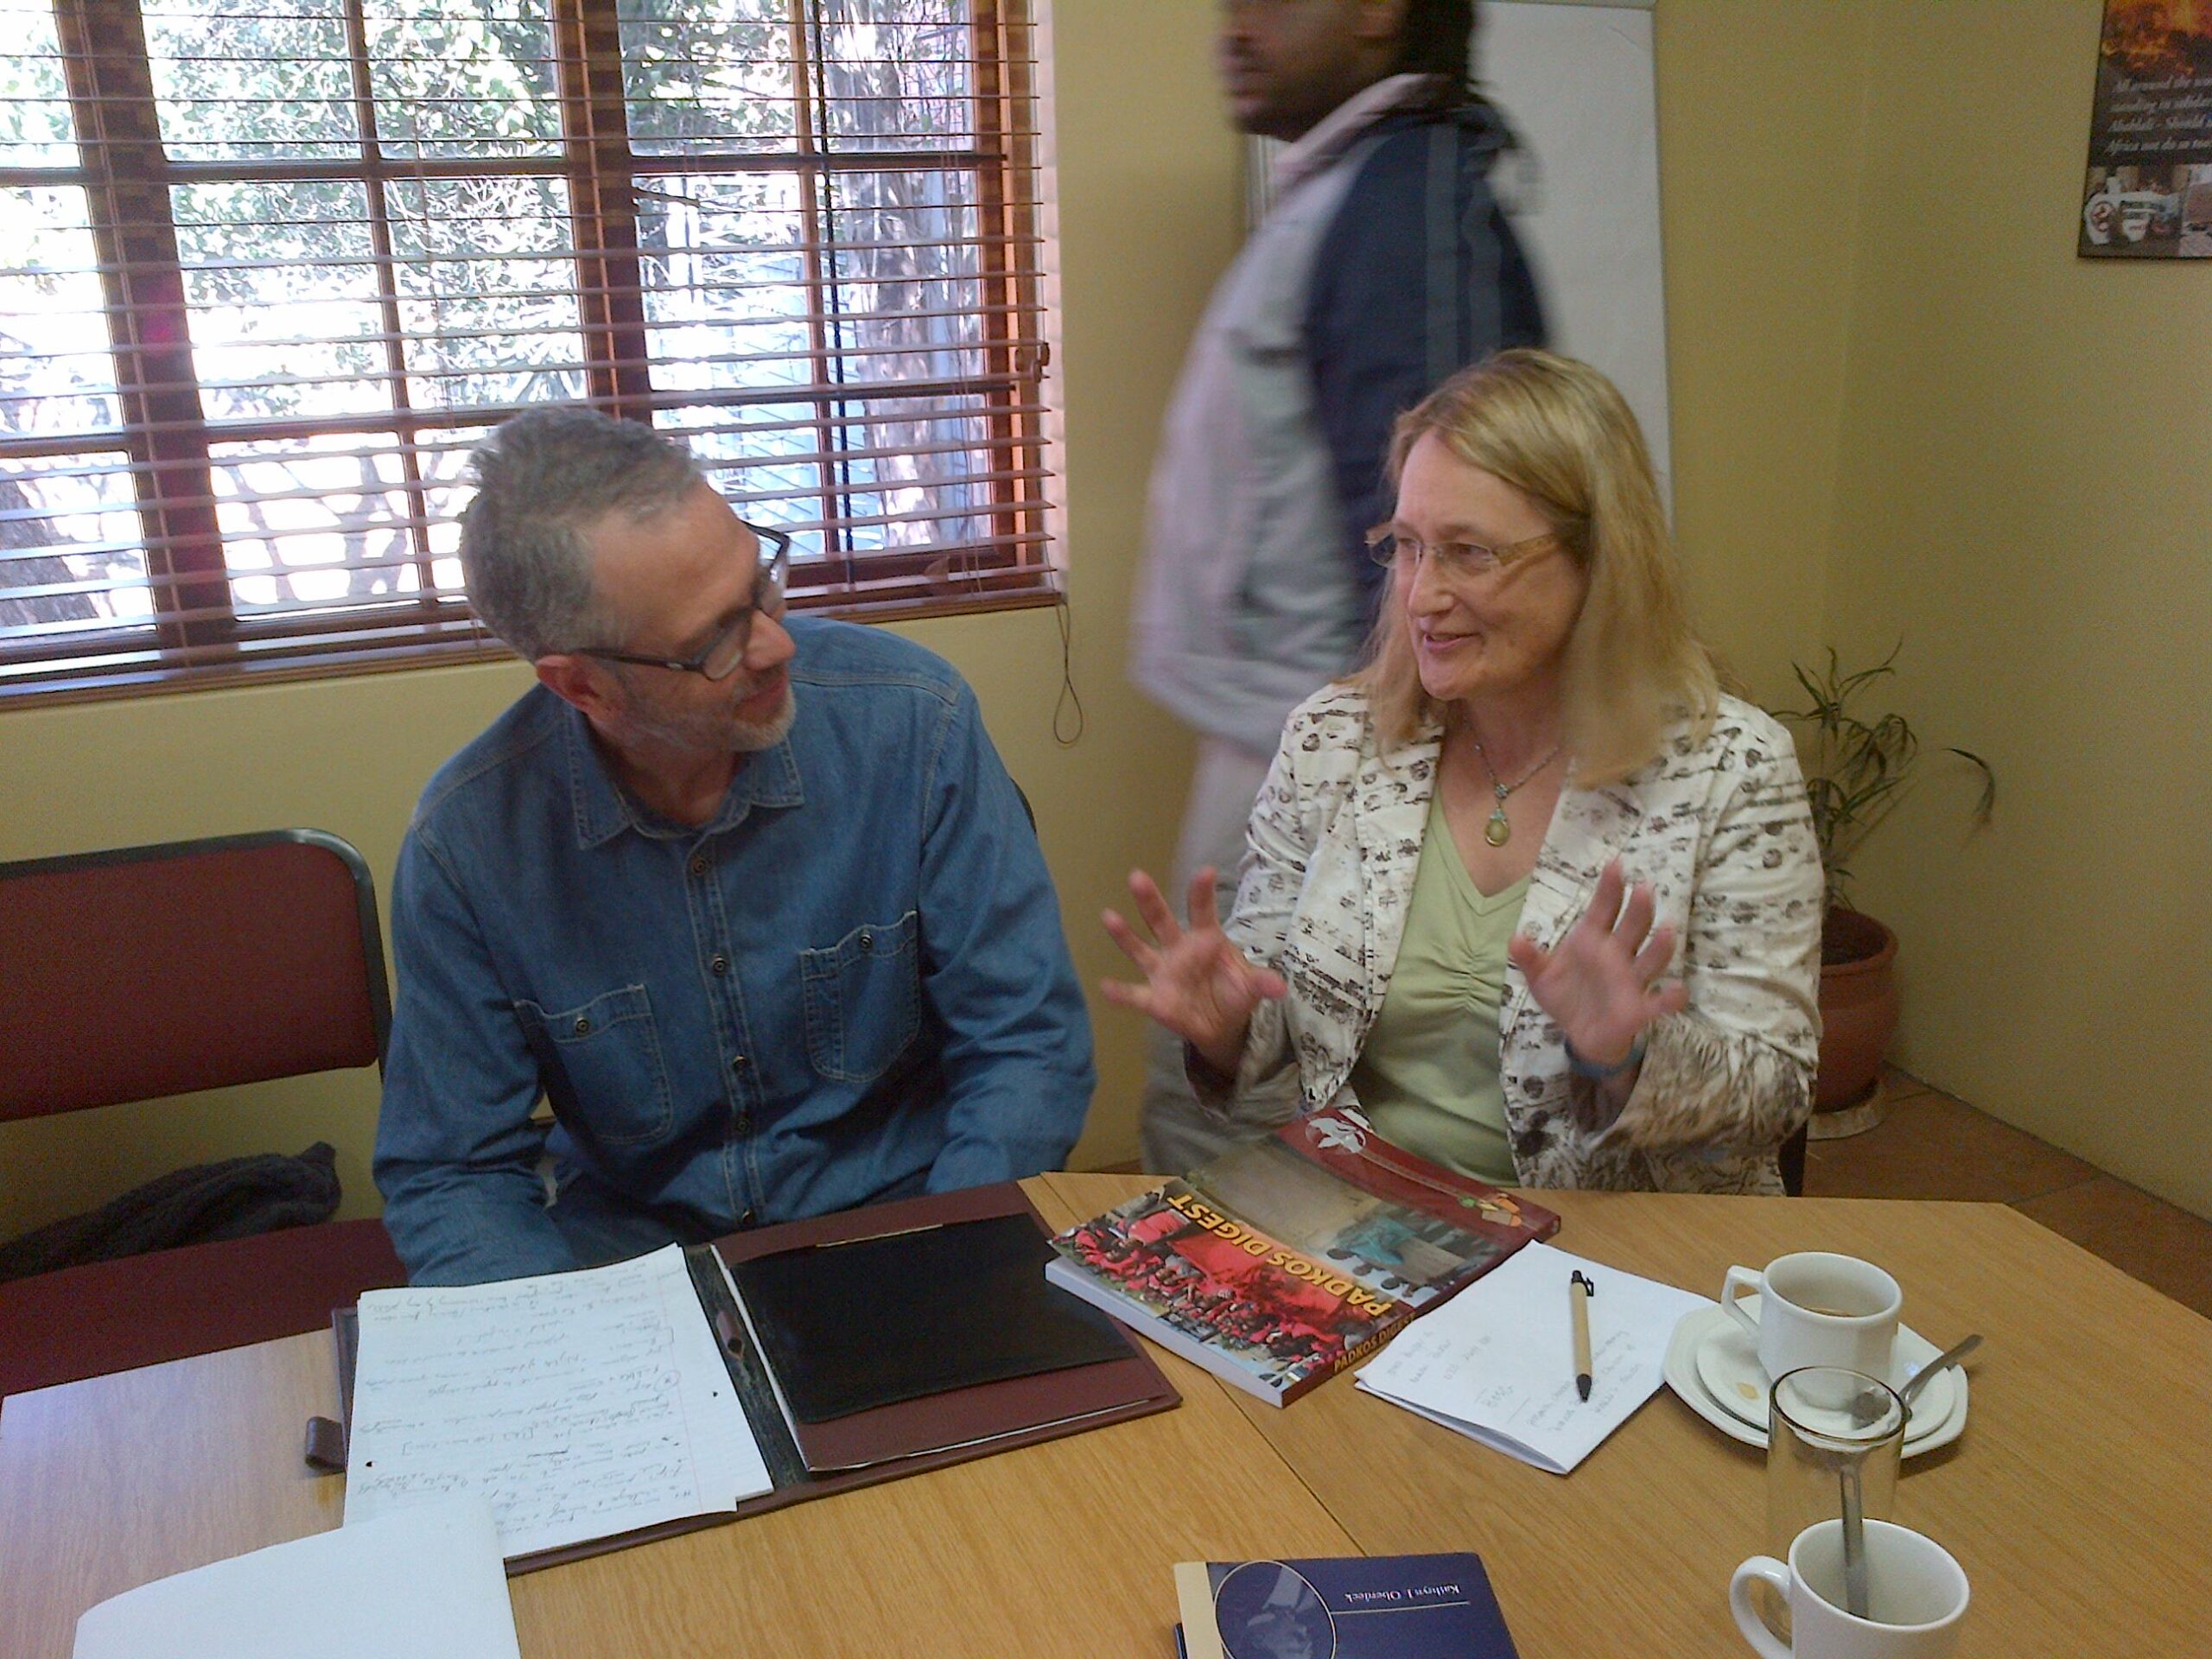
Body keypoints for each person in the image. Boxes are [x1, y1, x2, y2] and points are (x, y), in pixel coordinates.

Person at [375, 408, 1093, 1285]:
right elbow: (453, 1171)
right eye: (715, 640)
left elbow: (1024, 1044)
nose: (775, 641)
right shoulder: (470, 845)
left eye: (763, 584)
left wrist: (949, 1264)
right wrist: (556, 1339)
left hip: (910, 1217)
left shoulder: (913, 722)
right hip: (644, 1262)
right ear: (582, 686)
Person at [1105, 351, 1821, 1194]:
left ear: (1598, 560)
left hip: (1615, 1247)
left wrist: (1625, 1057)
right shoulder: (1333, 741)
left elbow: (1775, 1093)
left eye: (1469, 553)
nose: (1421, 596)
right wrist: (1228, 1029)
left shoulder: (1732, 768)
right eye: (1407, 548)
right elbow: (1276, 1024)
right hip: (1371, 1221)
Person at [1131, 0, 1546, 1173]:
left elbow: (1460, 551)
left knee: (1243, 1138)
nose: (1232, 23)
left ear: (1376, 11)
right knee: (1212, 1096)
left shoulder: (1405, 211)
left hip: (1337, 767)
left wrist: (1376, 795)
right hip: (1280, 750)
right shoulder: (1344, 194)